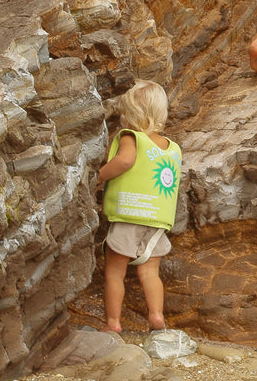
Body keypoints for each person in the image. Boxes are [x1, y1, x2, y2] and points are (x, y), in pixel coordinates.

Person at [98, 80, 182, 333]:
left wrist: (100, 175)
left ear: (130, 113)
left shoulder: (131, 137)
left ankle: (113, 323)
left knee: (115, 272)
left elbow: (124, 162)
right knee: (150, 273)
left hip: (129, 215)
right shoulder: (172, 148)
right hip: (156, 221)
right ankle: (156, 316)